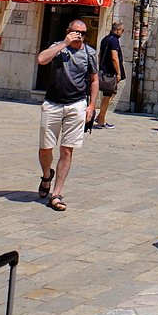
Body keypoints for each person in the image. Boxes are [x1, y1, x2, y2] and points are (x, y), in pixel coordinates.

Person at [36, 18, 98, 212]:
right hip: (53, 103)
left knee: (67, 150)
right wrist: (64, 43)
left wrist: (91, 106)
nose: (80, 36)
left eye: (83, 33)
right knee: (45, 148)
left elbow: (94, 80)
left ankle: (56, 194)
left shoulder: (90, 53)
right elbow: (41, 60)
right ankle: (47, 175)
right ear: (68, 31)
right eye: (76, 32)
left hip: (77, 105)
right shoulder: (58, 48)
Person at [96, 20, 125, 128]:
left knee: (111, 93)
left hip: (105, 70)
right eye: (122, 30)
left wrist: (101, 67)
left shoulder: (105, 39)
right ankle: (100, 121)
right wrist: (118, 73)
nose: (122, 33)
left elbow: (100, 55)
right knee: (107, 96)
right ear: (117, 30)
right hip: (110, 72)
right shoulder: (114, 41)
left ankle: (100, 116)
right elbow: (114, 57)